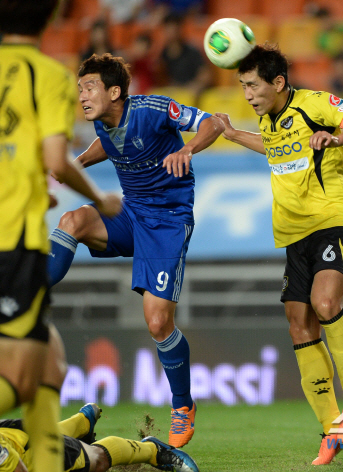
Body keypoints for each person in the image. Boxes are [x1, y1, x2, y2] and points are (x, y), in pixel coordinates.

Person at [46, 53, 224, 448]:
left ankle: (183, 405)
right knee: (72, 221)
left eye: (89, 87)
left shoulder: (153, 109)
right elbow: (109, 142)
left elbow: (212, 122)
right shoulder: (102, 120)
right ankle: (28, 288)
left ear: (114, 92)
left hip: (167, 221)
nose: (82, 96)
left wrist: (187, 150)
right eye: (80, 89)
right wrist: (78, 163)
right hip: (129, 213)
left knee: (158, 323)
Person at [215, 44, 343, 465]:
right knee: (298, 325)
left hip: (335, 221)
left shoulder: (315, 103)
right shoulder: (268, 119)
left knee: (325, 304)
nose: (248, 94)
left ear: (278, 82)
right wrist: (233, 135)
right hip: (294, 234)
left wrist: (336, 137)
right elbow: (276, 147)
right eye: (243, 86)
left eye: (253, 86)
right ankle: (331, 429)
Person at [0, 2, 122, 472]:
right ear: (50, 19)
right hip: (15, 240)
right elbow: (57, 160)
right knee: (28, 376)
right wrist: (99, 198)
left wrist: (31, 186)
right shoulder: (47, 76)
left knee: (50, 369)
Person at [0, 403, 198, 472]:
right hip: (12, 434)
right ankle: (83, 422)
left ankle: (153, 451)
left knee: (96, 460)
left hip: (32, 453)